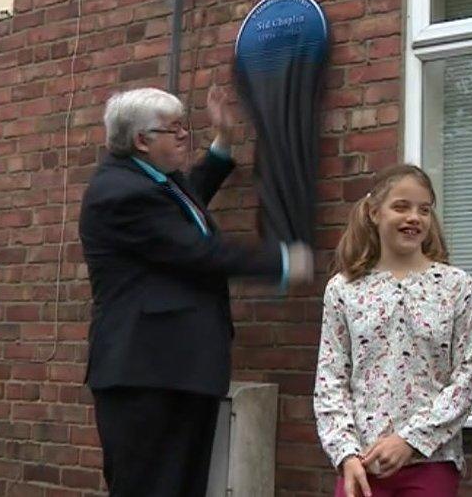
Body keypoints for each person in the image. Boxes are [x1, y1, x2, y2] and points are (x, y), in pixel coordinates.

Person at [79, 86, 312, 496]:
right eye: (176, 129)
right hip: (147, 376)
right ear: (141, 140)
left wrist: (222, 145)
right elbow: (194, 250)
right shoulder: (121, 193)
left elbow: (191, 197)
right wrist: (283, 263)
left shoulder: (154, 182)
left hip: (174, 371)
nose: (186, 135)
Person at [313, 164, 472, 497]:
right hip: (361, 466)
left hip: (431, 462)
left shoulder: (455, 286)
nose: (414, 218)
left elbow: (468, 376)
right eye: (401, 206)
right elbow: (330, 380)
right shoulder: (343, 289)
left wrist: (410, 440)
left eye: (424, 209)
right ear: (374, 212)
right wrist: (346, 454)